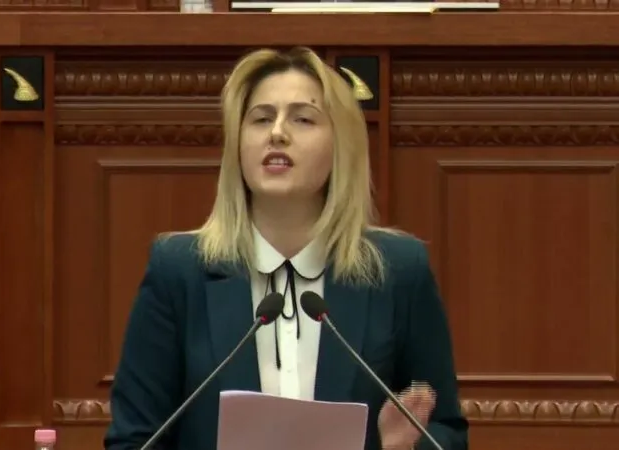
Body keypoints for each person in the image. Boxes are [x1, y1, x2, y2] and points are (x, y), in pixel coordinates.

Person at [104, 47, 468, 450]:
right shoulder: (179, 271)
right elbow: (135, 439)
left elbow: (446, 430)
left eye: (303, 118)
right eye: (261, 119)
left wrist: (405, 448)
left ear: (341, 144)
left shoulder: (397, 271)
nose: (277, 133)